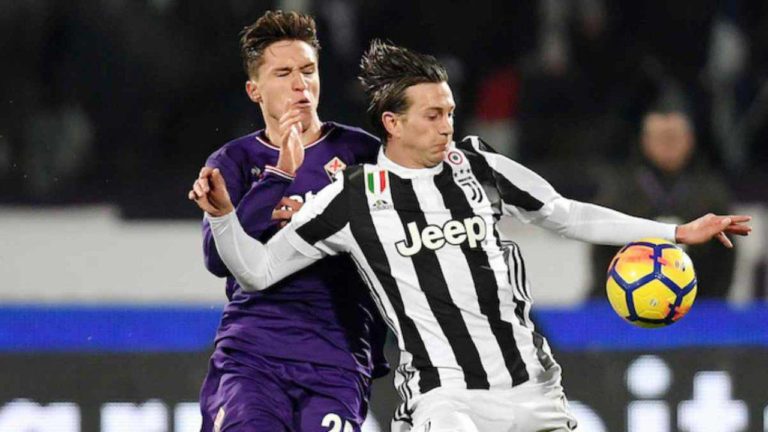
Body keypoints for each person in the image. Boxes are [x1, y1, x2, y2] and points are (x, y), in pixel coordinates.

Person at [189, 40, 752, 432]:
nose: (447, 127)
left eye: (450, 113)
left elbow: (564, 214)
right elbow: (257, 271)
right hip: (445, 399)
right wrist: (223, 217)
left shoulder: (477, 165)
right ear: (393, 123)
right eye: (433, 116)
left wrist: (674, 232)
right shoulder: (351, 198)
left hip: (533, 390)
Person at [188, 11, 387, 432]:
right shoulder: (234, 161)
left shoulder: (363, 154)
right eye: (283, 73)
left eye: (308, 70)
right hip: (252, 357)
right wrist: (278, 176)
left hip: (337, 357)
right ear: (254, 90)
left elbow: (396, 244)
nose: (300, 84)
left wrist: (322, 222)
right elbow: (216, 259)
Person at [591, 110, 736, 298]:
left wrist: (713, 301)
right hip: (630, 300)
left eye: (674, 137)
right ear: (645, 140)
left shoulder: (710, 191)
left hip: (699, 301)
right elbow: (601, 247)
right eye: (660, 138)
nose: (668, 144)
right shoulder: (620, 189)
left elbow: (725, 255)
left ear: (689, 140)